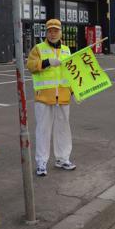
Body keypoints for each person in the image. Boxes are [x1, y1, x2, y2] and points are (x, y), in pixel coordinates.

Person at [26, 18, 76, 177]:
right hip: (44, 98)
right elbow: (31, 66)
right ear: (46, 32)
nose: (53, 33)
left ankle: (62, 159)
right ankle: (41, 162)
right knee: (43, 130)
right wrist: (47, 62)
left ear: (61, 32)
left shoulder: (68, 50)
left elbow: (73, 73)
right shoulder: (38, 48)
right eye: (50, 30)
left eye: (56, 30)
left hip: (63, 97)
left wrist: (75, 92)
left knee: (63, 129)